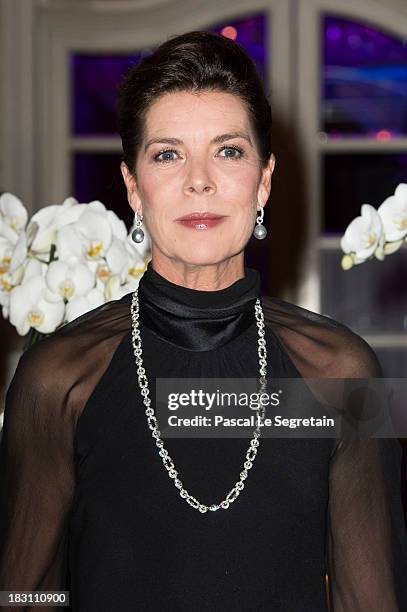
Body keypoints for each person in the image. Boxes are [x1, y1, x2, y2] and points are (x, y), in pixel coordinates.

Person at [0, 30, 406, 612]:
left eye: (228, 150)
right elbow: (23, 594)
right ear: (133, 186)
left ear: (263, 180)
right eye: (168, 153)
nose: (200, 180)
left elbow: (371, 600)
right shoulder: (57, 377)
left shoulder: (344, 371)